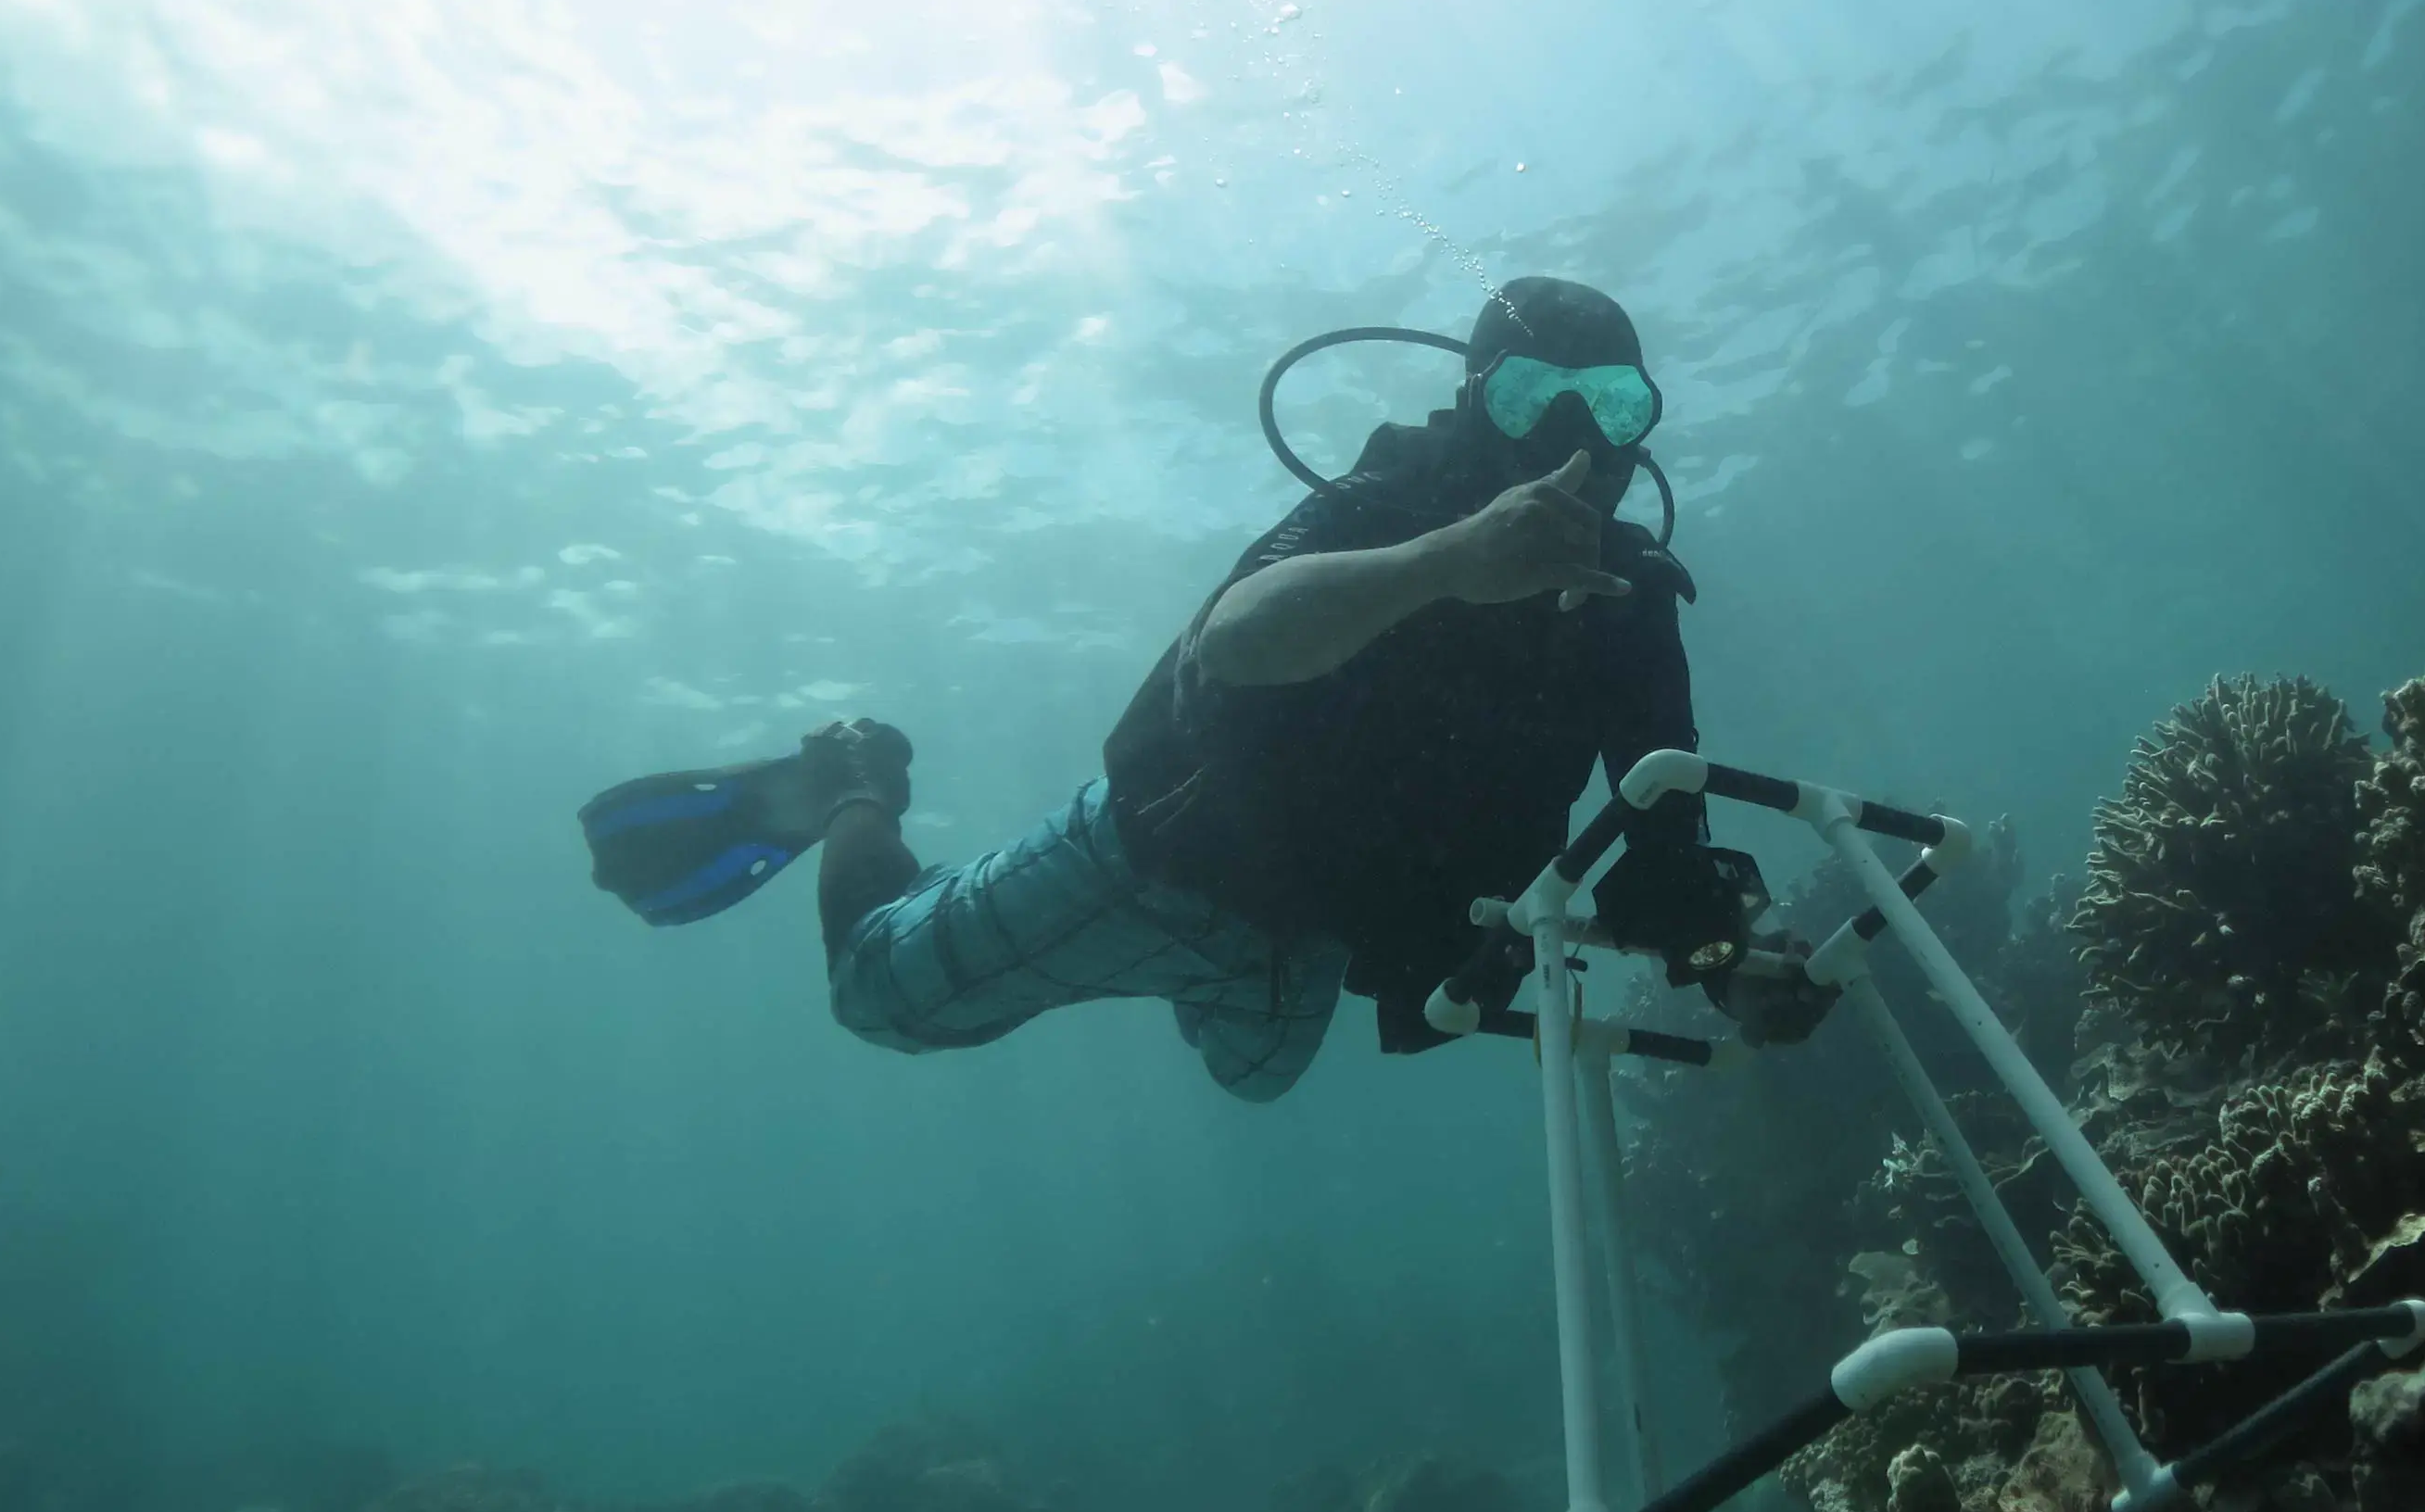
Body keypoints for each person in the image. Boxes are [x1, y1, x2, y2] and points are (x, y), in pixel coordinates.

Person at [587, 277, 1833, 1101]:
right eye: (1531, 397)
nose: (1575, 437)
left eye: (1613, 405)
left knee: (1254, 1081)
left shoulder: (1628, 607)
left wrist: (1724, 952)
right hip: (1157, 861)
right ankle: (855, 781)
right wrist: (1450, 564)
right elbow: (1233, 642)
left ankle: (1152, 974)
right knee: (883, 999)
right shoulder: (1385, 509)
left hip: (1311, 934)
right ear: (1474, 406)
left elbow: (1667, 832)